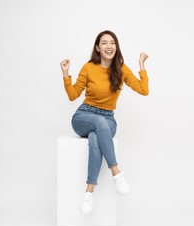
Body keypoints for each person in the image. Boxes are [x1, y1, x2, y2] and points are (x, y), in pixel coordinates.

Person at [60, 30, 149, 214]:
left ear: (116, 47)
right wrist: (66, 75)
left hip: (108, 120)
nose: (109, 46)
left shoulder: (121, 69)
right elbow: (73, 95)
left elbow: (143, 90)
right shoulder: (88, 67)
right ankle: (116, 173)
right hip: (84, 116)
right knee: (97, 123)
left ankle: (89, 192)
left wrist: (141, 64)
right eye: (104, 43)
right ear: (97, 48)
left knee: (95, 138)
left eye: (112, 43)